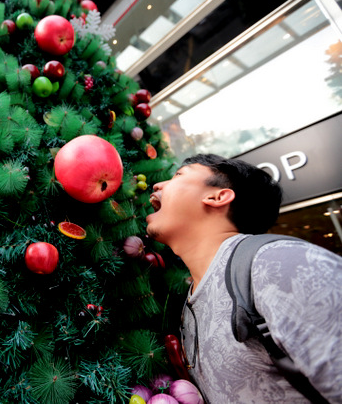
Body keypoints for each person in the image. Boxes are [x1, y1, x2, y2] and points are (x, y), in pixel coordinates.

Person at [146, 153, 342, 403]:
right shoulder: (186, 308)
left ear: (217, 196)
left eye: (178, 175)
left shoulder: (278, 263)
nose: (157, 185)